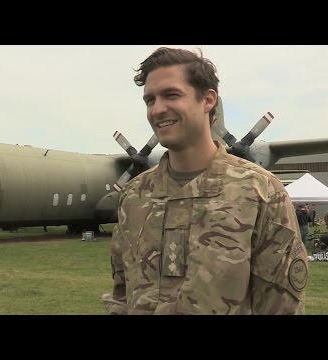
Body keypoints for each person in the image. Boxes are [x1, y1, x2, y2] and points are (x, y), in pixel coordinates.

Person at [101, 47, 308, 315]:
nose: (157, 109)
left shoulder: (262, 192)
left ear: (208, 100)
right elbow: (121, 294)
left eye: (171, 95)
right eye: (149, 100)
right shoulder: (132, 197)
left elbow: (281, 308)